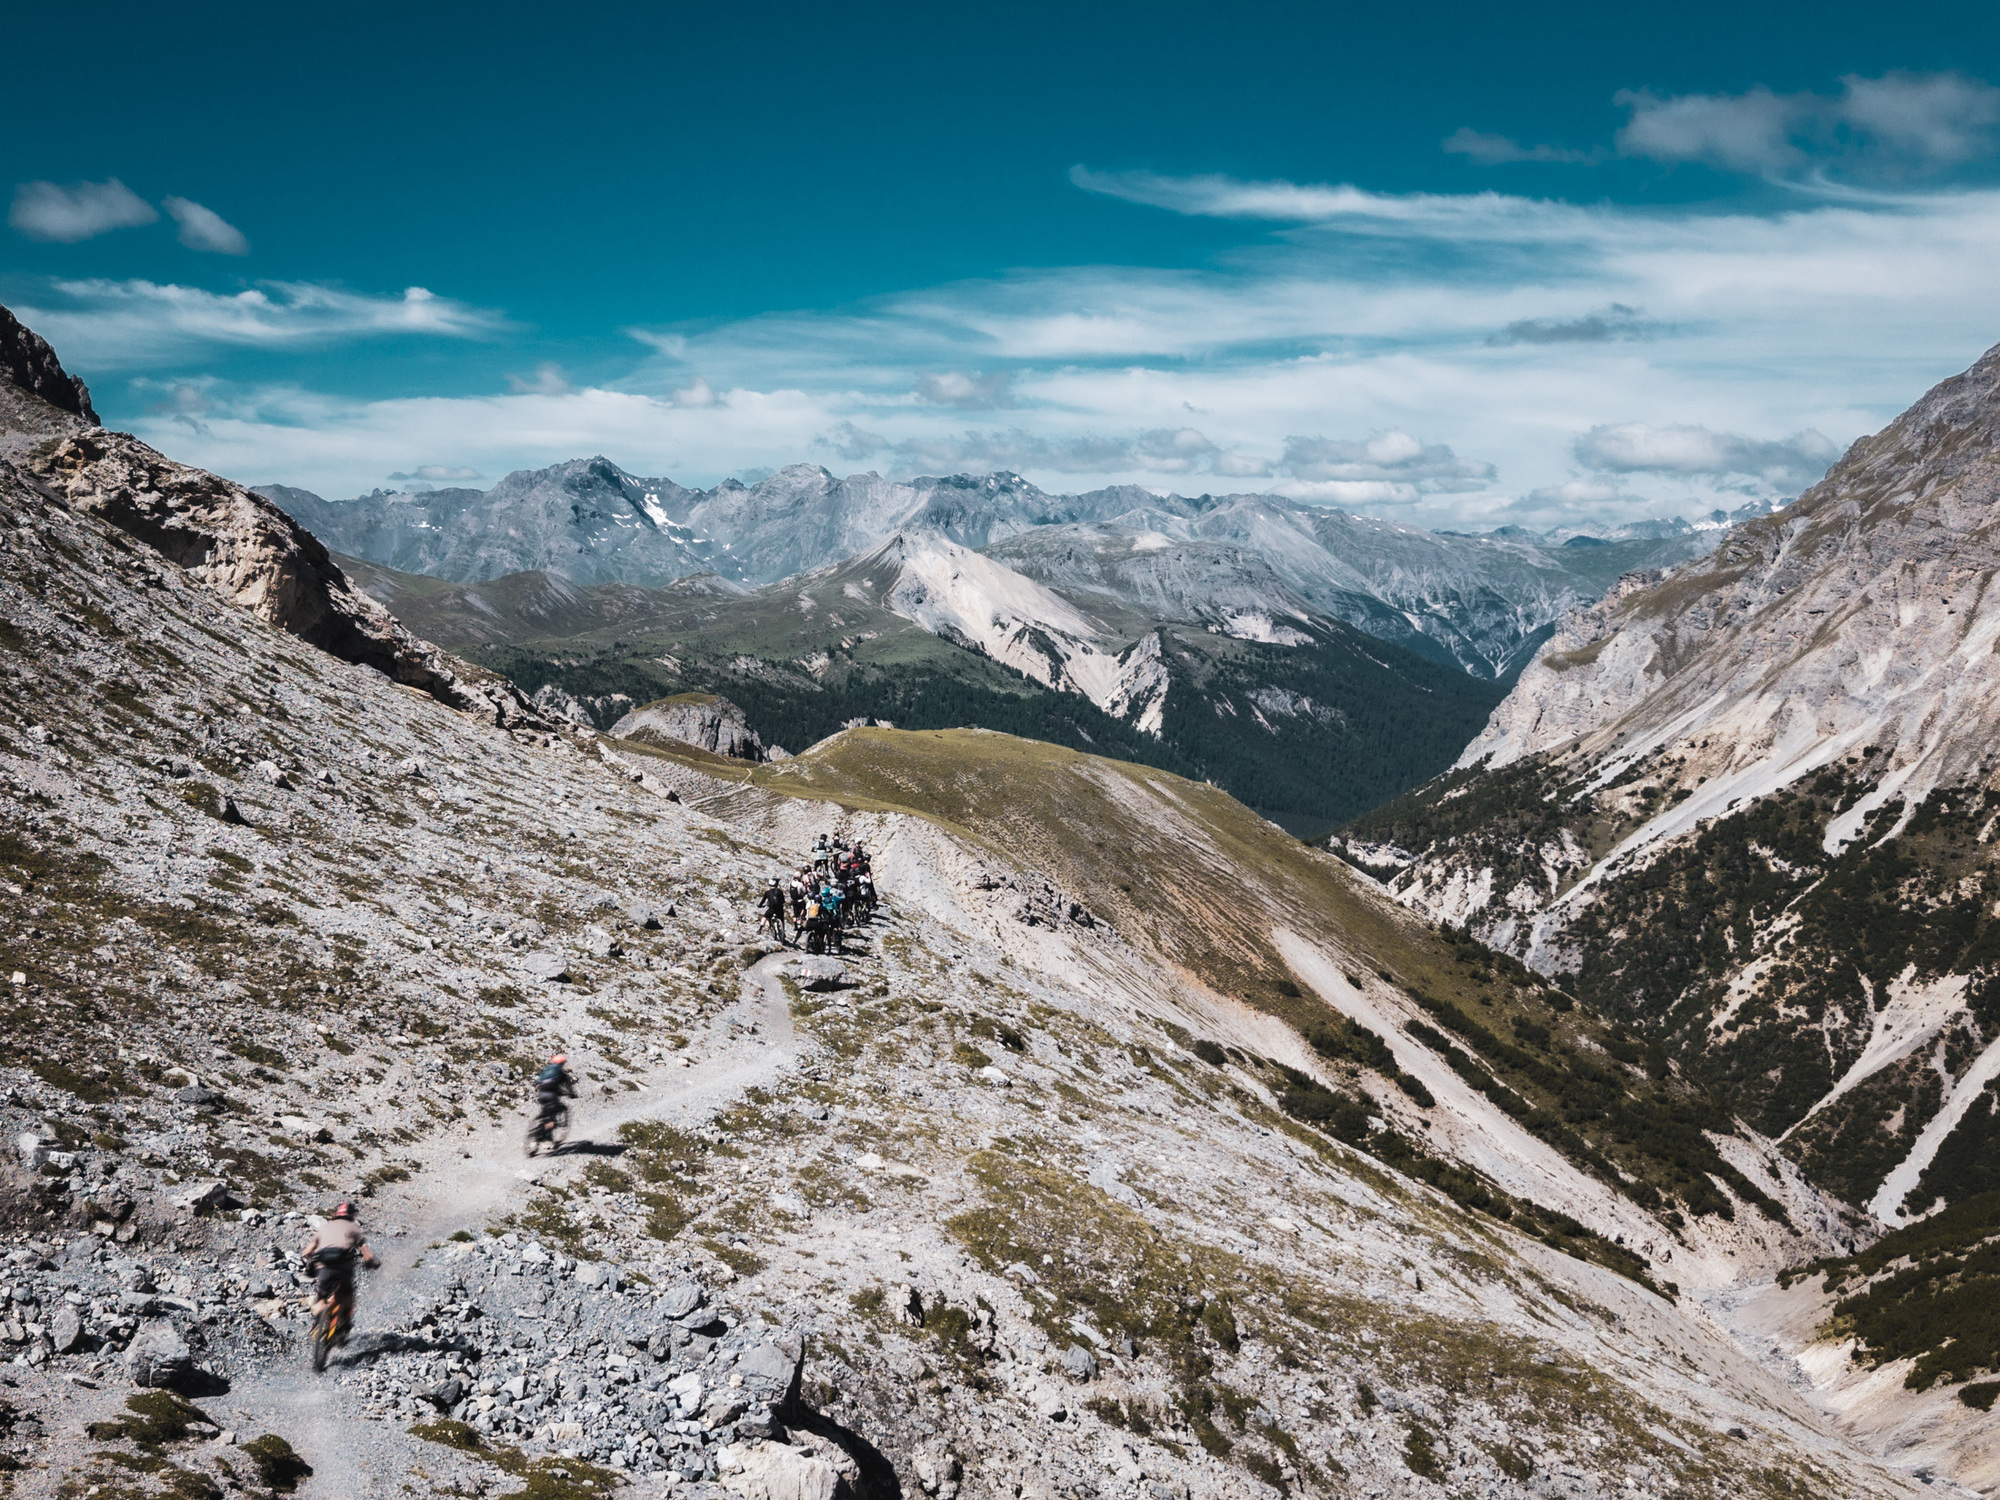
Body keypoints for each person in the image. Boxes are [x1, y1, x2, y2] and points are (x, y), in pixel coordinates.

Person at [301, 1201, 378, 1340]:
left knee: (321, 1298)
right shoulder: (353, 1227)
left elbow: (307, 1251)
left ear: (336, 1214)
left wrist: (310, 1260)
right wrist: (372, 1262)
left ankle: (318, 1324)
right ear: (352, 1214)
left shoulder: (325, 1227)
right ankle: (344, 1323)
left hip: (323, 1266)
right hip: (343, 1267)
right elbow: (366, 1251)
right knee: (347, 1293)